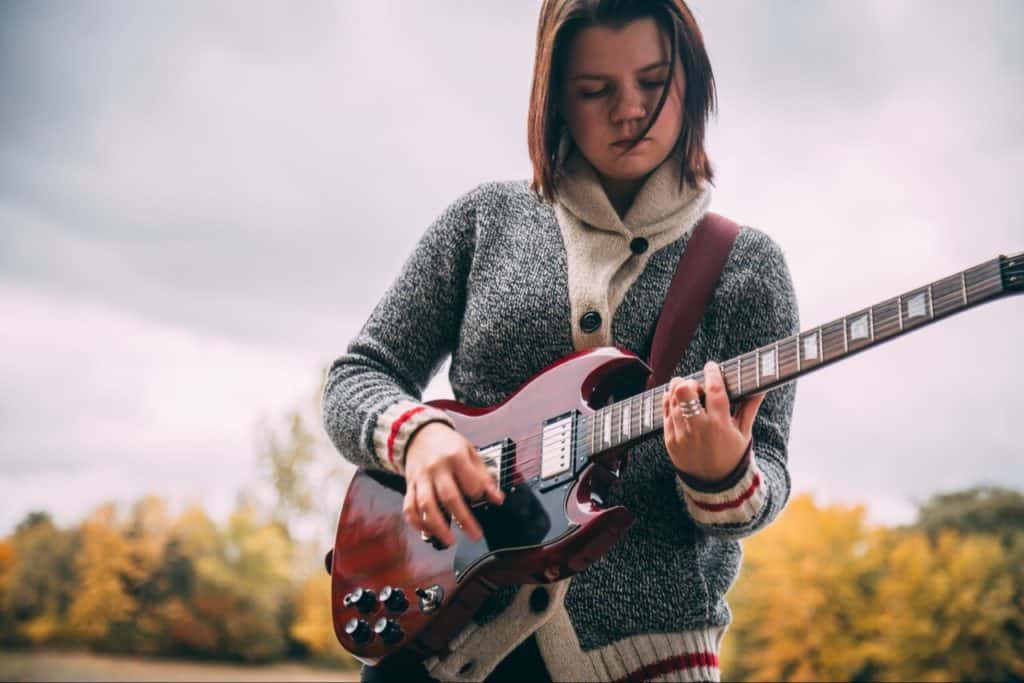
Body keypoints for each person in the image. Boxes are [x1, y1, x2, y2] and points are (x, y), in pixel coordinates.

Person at [322, 1, 799, 680]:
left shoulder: (747, 265)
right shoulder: (483, 220)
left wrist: (719, 473)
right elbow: (357, 376)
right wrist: (418, 435)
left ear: (690, 81)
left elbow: (769, 476)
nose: (629, 109)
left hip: (645, 664)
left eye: (654, 80)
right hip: (434, 643)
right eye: (594, 90)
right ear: (554, 102)